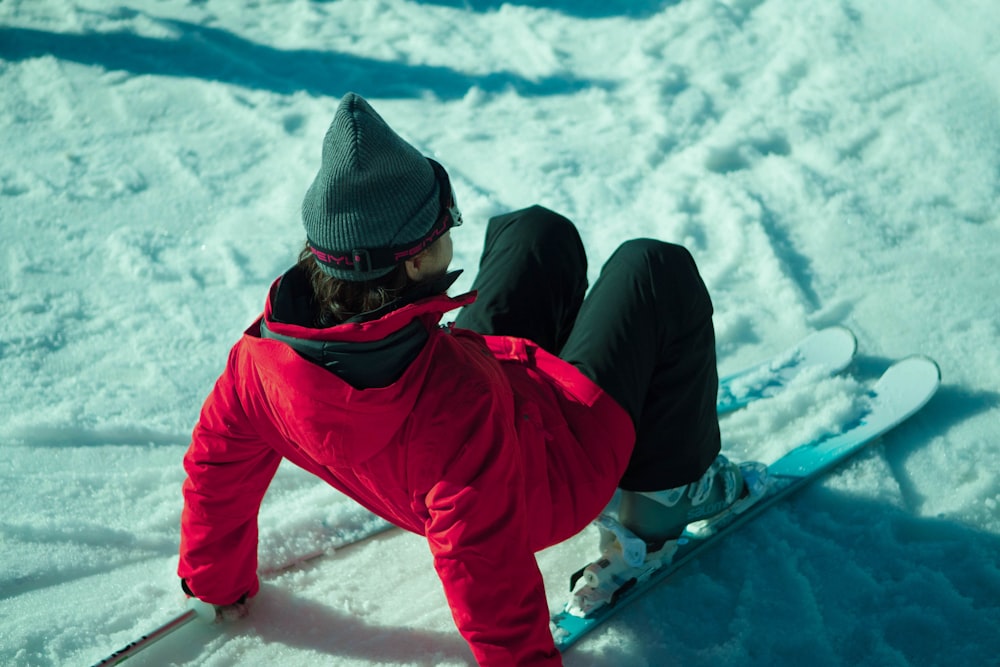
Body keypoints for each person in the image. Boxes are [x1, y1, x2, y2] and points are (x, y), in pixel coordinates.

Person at [178, 92, 763, 666]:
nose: (453, 233)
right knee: (653, 269)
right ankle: (665, 499)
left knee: (536, 231)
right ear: (410, 262)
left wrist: (214, 580)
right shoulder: (454, 411)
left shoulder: (261, 360)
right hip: (556, 473)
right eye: (444, 225)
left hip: (477, 397)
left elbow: (218, 465)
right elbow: (482, 567)